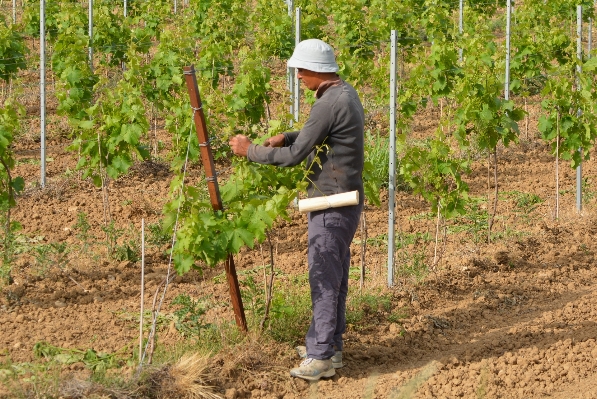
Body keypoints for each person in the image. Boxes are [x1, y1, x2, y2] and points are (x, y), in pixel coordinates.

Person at [229, 38, 364, 381]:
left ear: (315, 71)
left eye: (301, 71)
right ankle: (330, 348)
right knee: (335, 275)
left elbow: (294, 159)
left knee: (323, 277)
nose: (299, 78)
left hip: (332, 202)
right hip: (344, 200)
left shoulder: (328, 104)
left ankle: (319, 357)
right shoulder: (344, 93)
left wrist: (251, 150)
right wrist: (288, 136)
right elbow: (317, 135)